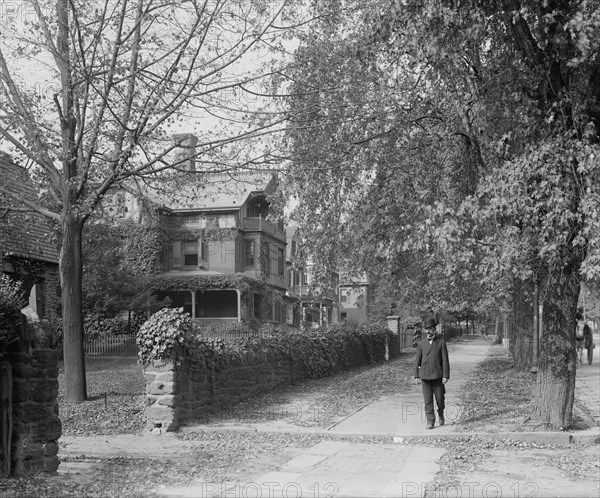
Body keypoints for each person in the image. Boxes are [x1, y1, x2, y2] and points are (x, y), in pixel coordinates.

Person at [414, 317, 449, 429]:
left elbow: (445, 360)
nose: (428, 331)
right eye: (426, 329)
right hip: (425, 376)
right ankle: (430, 421)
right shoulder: (421, 344)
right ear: (424, 331)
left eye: (430, 328)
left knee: (440, 399)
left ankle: (440, 413)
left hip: (438, 376)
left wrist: (445, 375)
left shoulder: (441, 342)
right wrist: (416, 375)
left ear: (435, 329)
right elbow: (417, 361)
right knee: (428, 400)